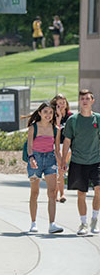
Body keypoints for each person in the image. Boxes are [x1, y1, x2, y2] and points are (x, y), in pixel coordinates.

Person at [61, 90, 100, 235]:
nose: (85, 101)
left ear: (92, 101)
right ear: (79, 101)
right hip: (78, 161)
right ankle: (83, 223)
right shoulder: (74, 120)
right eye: (82, 98)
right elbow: (67, 140)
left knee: (99, 190)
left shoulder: (97, 119)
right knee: (81, 193)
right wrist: (64, 160)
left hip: (96, 160)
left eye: (87, 98)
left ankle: (94, 220)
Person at [25, 102, 64, 234]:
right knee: (34, 193)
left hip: (50, 160)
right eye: (45, 112)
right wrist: (31, 159)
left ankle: (52, 224)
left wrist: (62, 163)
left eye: (50, 112)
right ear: (40, 113)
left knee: (52, 193)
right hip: (35, 159)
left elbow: (57, 149)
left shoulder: (56, 129)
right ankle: (33, 223)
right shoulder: (33, 128)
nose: (48, 115)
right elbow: (30, 146)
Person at [51, 93, 72, 203]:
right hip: (56, 144)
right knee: (60, 168)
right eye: (59, 103)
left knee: (61, 169)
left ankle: (61, 194)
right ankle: (58, 194)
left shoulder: (71, 116)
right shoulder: (53, 116)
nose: (62, 105)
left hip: (67, 145)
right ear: (56, 104)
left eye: (63, 102)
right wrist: (58, 117)